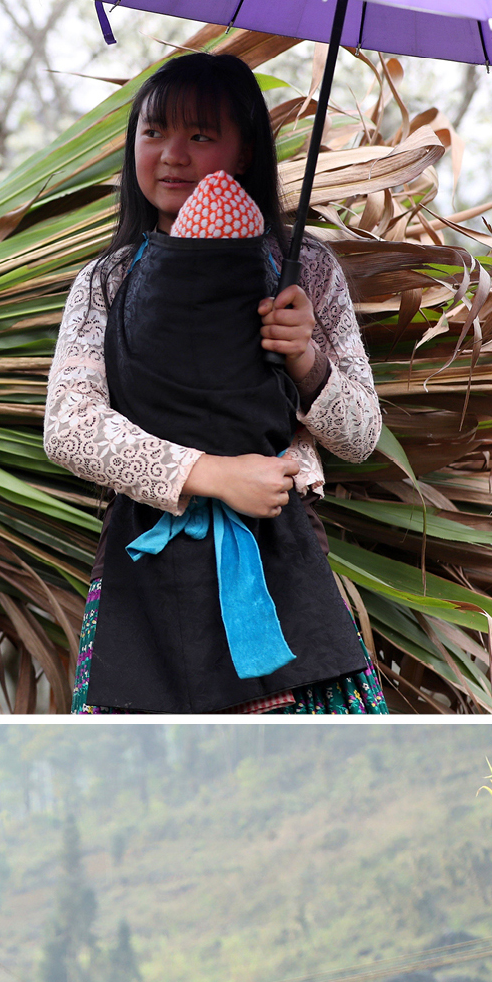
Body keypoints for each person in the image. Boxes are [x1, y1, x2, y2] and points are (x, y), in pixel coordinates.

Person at [44, 51, 389, 716]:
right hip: (143, 569)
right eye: (153, 132)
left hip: (282, 564)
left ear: (246, 150)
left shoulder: (304, 269)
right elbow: (69, 428)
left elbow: (359, 437)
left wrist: (304, 358)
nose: (171, 154)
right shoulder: (107, 280)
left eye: (199, 135)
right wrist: (210, 474)